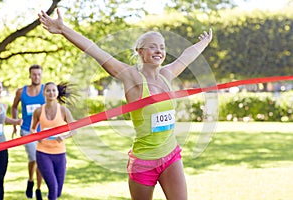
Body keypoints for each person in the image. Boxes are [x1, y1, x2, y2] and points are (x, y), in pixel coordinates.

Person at [38, 8, 212, 200]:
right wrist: (64, 29)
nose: (159, 51)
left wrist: (204, 43)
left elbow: (187, 56)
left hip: (171, 155)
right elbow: (96, 50)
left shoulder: (166, 75)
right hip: (144, 161)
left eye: (162, 47)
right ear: (140, 51)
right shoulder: (131, 77)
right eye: (153, 47)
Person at [30, 82, 75, 200]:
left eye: (54, 90)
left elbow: (74, 130)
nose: (51, 93)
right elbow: (33, 129)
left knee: (58, 190)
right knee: (53, 186)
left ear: (57, 93)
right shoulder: (38, 111)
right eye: (48, 90)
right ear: (44, 93)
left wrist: (64, 137)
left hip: (60, 154)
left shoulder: (64, 111)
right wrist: (37, 136)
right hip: (43, 153)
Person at [11, 64, 44, 199]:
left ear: (42, 75)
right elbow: (14, 107)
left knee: (40, 160)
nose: (36, 77)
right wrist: (15, 122)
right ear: (30, 75)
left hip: (43, 131)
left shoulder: (45, 91)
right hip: (27, 131)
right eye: (34, 74)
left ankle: (37, 189)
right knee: (34, 158)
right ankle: (31, 179)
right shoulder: (21, 92)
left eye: (39, 74)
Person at [0, 80, 22, 200]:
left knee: (0, 178)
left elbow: (3, 119)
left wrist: (16, 122)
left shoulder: (3, 106)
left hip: (1, 147)